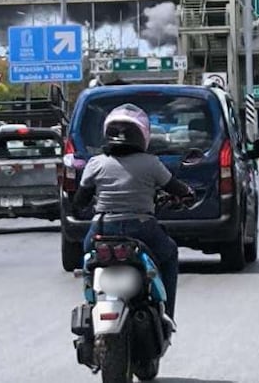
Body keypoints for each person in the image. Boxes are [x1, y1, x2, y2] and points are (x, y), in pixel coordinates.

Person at [72, 103, 195, 325]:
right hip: (142, 227)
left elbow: (79, 202)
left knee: (88, 258)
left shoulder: (96, 163)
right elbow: (177, 188)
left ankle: (91, 305)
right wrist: (188, 193)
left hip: (102, 227)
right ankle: (166, 315)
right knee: (169, 255)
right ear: (142, 135)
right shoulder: (151, 163)